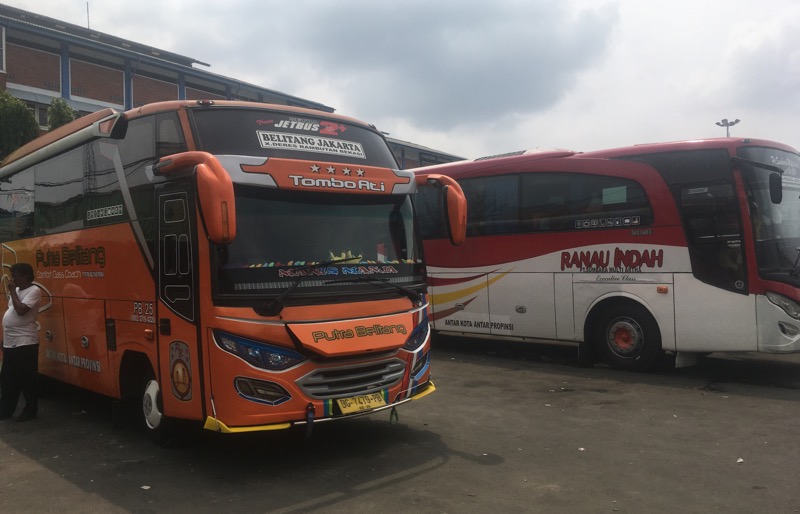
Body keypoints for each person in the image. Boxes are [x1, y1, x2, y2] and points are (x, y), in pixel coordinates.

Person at [0, 263, 42, 422]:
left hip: (25, 342)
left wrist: (11, 291)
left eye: (15, 275)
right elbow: (12, 312)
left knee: (27, 379)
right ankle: (5, 409)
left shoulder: (34, 290)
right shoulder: (17, 291)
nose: (13, 279)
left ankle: (30, 411)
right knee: (7, 378)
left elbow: (21, 310)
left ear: (24, 276)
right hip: (11, 342)